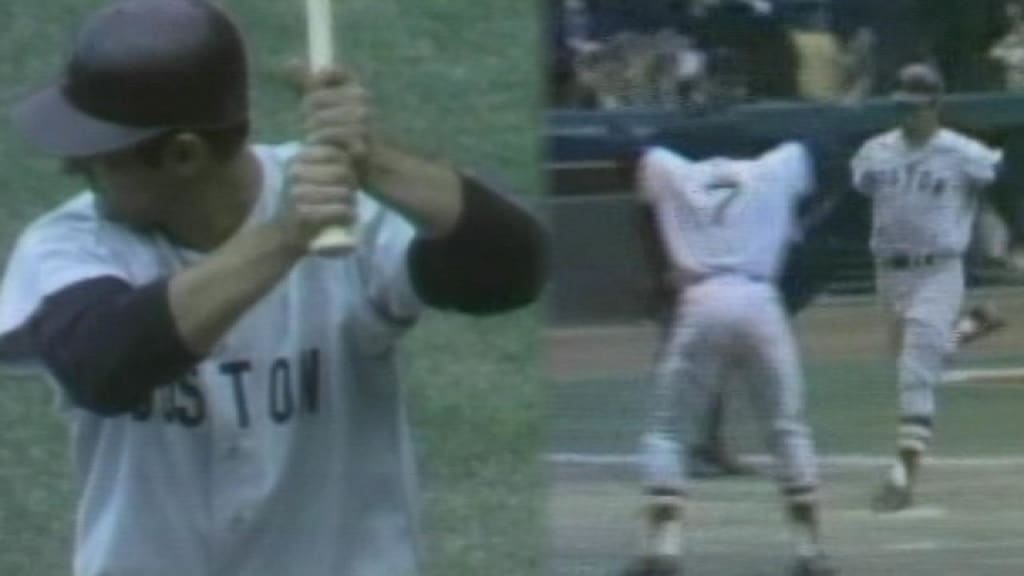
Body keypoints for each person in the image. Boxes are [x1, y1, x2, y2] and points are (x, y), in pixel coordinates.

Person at [0, 1, 547, 575]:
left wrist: (373, 161)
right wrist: (286, 236)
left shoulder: (339, 206)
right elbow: (103, 364)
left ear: (183, 153)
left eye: (100, 155)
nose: (74, 168)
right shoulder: (70, 240)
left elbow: (512, 270)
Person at [626, 142, 838, 576]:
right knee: (787, 428)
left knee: (669, 431)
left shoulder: (671, 167)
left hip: (700, 298)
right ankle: (809, 550)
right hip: (759, 299)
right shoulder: (777, 164)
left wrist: (659, 272)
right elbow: (818, 160)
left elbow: (641, 178)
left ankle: (664, 548)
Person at [850, 63, 1003, 513]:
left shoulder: (964, 153)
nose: (907, 115)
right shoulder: (875, 152)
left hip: (938, 270)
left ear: (936, 105)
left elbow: (1002, 181)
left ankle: (902, 476)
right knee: (915, 360)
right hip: (889, 272)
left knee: (915, 371)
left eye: (916, 107)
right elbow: (863, 191)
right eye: (902, 106)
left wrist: (999, 233)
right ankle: (972, 326)